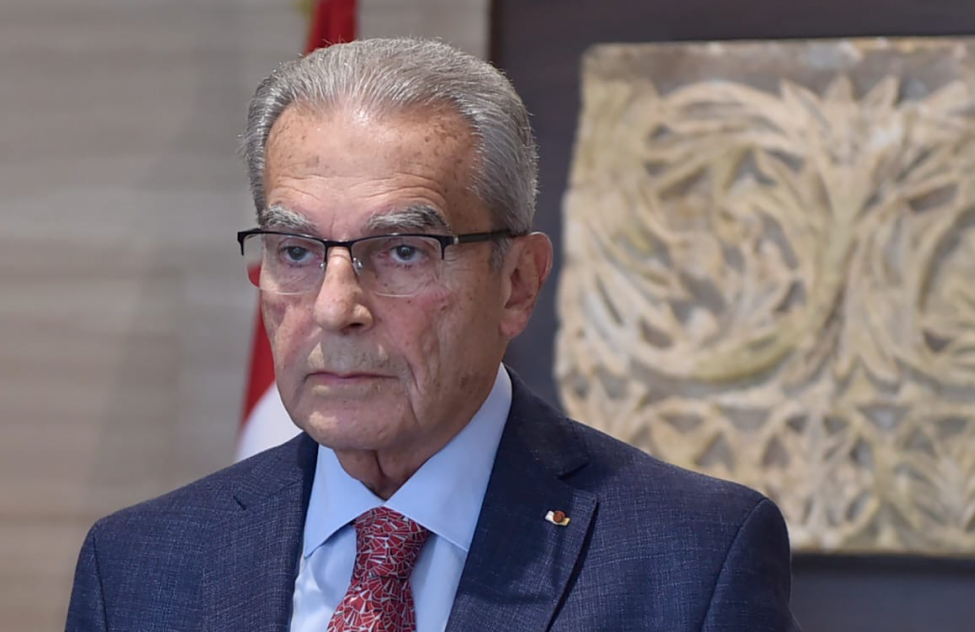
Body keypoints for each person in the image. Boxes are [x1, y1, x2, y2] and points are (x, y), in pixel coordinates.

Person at [64, 37, 799, 632]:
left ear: (518, 283)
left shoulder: (691, 559)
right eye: (296, 251)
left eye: (404, 251)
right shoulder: (138, 565)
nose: (335, 308)